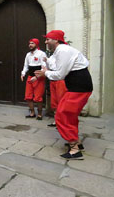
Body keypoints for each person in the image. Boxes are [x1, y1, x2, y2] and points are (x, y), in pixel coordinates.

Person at [35, 30, 92, 160]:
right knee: (70, 115)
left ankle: (74, 149)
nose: (45, 41)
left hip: (79, 88)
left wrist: (45, 74)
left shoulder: (63, 50)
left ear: (56, 40)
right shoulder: (59, 51)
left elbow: (60, 74)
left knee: (62, 115)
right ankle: (76, 142)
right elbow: (55, 65)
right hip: (78, 87)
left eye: (48, 39)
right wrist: (47, 63)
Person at [21, 39, 46, 120]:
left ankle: (39, 114)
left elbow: (44, 67)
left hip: (39, 78)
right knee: (28, 96)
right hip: (30, 77)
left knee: (38, 97)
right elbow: (26, 66)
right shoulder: (28, 55)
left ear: (36, 44)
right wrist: (23, 73)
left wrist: (37, 77)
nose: (30, 45)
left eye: (32, 43)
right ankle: (32, 113)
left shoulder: (41, 54)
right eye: (29, 43)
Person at [44, 54, 67, 127]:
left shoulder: (63, 56)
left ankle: (63, 122)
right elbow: (48, 67)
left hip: (60, 80)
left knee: (61, 101)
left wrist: (47, 61)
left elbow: (58, 67)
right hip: (52, 80)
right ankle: (56, 121)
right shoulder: (52, 56)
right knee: (54, 102)